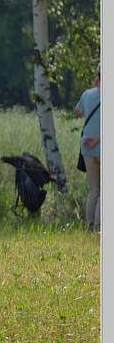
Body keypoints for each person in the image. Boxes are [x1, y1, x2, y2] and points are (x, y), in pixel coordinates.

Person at [74, 65, 100, 233]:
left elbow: (77, 113)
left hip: (87, 147)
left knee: (94, 190)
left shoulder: (87, 94)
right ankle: (100, 227)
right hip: (102, 145)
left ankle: (90, 227)